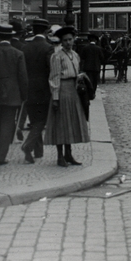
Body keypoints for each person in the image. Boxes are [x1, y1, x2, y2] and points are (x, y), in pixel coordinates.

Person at [45, 26, 90, 167]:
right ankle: (60, 156)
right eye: (65, 40)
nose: (68, 43)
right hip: (62, 90)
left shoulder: (75, 55)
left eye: (70, 39)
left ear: (74, 39)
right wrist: (56, 97)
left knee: (71, 121)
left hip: (73, 90)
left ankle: (69, 154)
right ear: (61, 42)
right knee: (61, 123)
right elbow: (54, 77)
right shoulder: (57, 56)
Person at [0, 25, 27, 166]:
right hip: (12, 95)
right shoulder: (18, 53)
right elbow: (23, 77)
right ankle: (0, 156)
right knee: (7, 124)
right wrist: (24, 94)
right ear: (10, 37)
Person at [19, 20, 54, 164]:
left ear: (33, 31)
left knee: (34, 120)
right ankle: (28, 145)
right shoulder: (48, 48)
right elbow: (50, 70)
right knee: (42, 120)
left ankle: (38, 151)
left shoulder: (25, 48)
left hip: (28, 88)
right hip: (43, 89)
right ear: (46, 31)